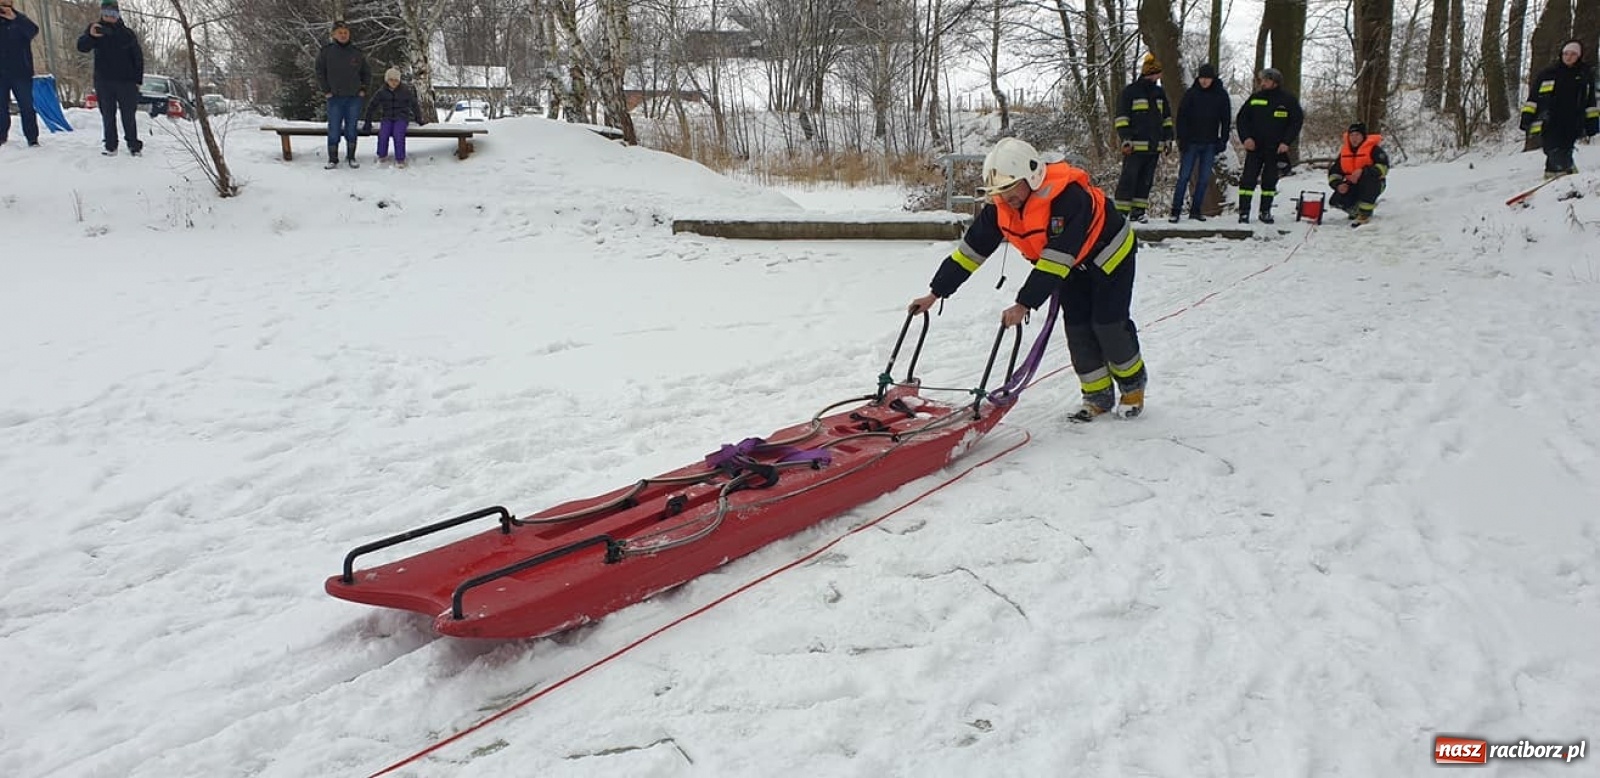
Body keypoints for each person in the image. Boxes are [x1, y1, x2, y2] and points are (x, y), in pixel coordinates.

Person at [908, 138, 1147, 420]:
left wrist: (1024, 304)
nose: (1005, 197)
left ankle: (1132, 387)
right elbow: (969, 254)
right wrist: (935, 293)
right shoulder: (1000, 209)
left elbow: (1057, 257)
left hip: (1109, 258)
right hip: (1069, 266)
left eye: (1010, 188)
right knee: (1078, 328)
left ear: (1032, 177)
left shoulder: (1068, 199)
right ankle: (1097, 396)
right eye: (999, 191)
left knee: (1108, 325)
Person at [1520, 40, 1599, 180]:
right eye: (1566, 53)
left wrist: (1592, 122)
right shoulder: (1548, 74)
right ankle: (1566, 175)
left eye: (1573, 54)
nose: (1568, 57)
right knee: (1552, 150)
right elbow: (1533, 99)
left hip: (1573, 122)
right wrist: (1527, 117)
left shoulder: (1584, 76)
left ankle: (1558, 179)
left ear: (1579, 56)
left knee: (1564, 151)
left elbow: (1590, 102)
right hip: (1549, 121)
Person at [1234, 67, 1303, 224]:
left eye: (1266, 80)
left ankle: (1265, 211)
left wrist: (1287, 142)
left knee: (1269, 181)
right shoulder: (1255, 98)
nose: (1263, 83)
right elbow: (1242, 120)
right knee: (1248, 180)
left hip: (1276, 149)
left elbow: (1296, 122)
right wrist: (1246, 138)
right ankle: (1244, 212)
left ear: (1275, 82)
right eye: (1261, 80)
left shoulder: (1288, 100)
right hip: (1255, 148)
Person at [76, 0, 143, 156]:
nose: (109, 17)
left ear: (118, 14)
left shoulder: (127, 33)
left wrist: (137, 80)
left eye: (113, 13)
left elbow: (137, 57)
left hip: (126, 82)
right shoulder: (95, 30)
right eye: (106, 13)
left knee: (128, 115)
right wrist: (91, 36)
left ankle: (133, 145)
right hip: (104, 81)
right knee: (107, 114)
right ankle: (110, 145)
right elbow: (82, 47)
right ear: (102, 13)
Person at [1112, 53, 1174, 223]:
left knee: (1146, 181)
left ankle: (1138, 212)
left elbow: (1166, 119)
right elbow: (1122, 118)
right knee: (1128, 179)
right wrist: (1126, 139)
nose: (1159, 76)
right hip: (1135, 147)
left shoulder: (1160, 93)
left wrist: (1168, 139)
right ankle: (1120, 214)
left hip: (1154, 146)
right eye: (1157, 73)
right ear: (1151, 73)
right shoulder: (1130, 92)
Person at [1169, 62, 1231, 222]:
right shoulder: (1191, 94)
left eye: (1207, 78)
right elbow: (1181, 117)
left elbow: (1226, 119)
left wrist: (1223, 140)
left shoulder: (1221, 95)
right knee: (1184, 177)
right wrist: (1182, 139)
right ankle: (1175, 210)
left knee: (1204, 179)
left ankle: (1196, 211)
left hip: (1210, 142)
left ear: (1212, 79)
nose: (1204, 81)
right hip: (1191, 142)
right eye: (1202, 78)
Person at [315, 20, 371, 169]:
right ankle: (333, 158)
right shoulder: (326, 52)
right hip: (334, 98)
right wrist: (326, 90)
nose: (343, 35)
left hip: (354, 98)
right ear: (334, 34)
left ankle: (351, 156)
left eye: (346, 32)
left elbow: (366, 72)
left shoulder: (357, 52)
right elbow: (320, 72)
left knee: (351, 128)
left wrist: (363, 89)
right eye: (340, 32)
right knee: (334, 128)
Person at [1327, 122, 1390, 225]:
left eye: (1357, 135)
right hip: (1352, 183)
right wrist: (1338, 185)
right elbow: (1334, 173)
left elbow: (1384, 168)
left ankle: (1365, 213)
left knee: (1369, 182)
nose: (1354, 138)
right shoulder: (1344, 153)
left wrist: (1363, 171)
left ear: (1363, 136)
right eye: (1351, 135)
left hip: (1374, 183)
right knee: (1335, 201)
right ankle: (1356, 211)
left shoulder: (1375, 150)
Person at [363, 68, 425, 168]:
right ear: (387, 80)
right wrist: (367, 122)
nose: (394, 83)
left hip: (401, 117)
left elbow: (414, 105)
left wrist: (419, 119)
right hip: (387, 117)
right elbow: (372, 106)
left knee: (398, 134)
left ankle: (400, 159)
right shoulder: (382, 91)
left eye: (396, 80)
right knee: (383, 134)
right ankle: (382, 155)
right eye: (391, 80)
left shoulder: (405, 91)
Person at [0, 0, 39, 148]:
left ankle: (32, 137)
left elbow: (33, 31)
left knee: (26, 105)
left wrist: (15, 19)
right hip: (1, 73)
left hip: (21, 72)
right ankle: (2, 135)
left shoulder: (20, 19)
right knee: (1, 106)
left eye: (6, 3)